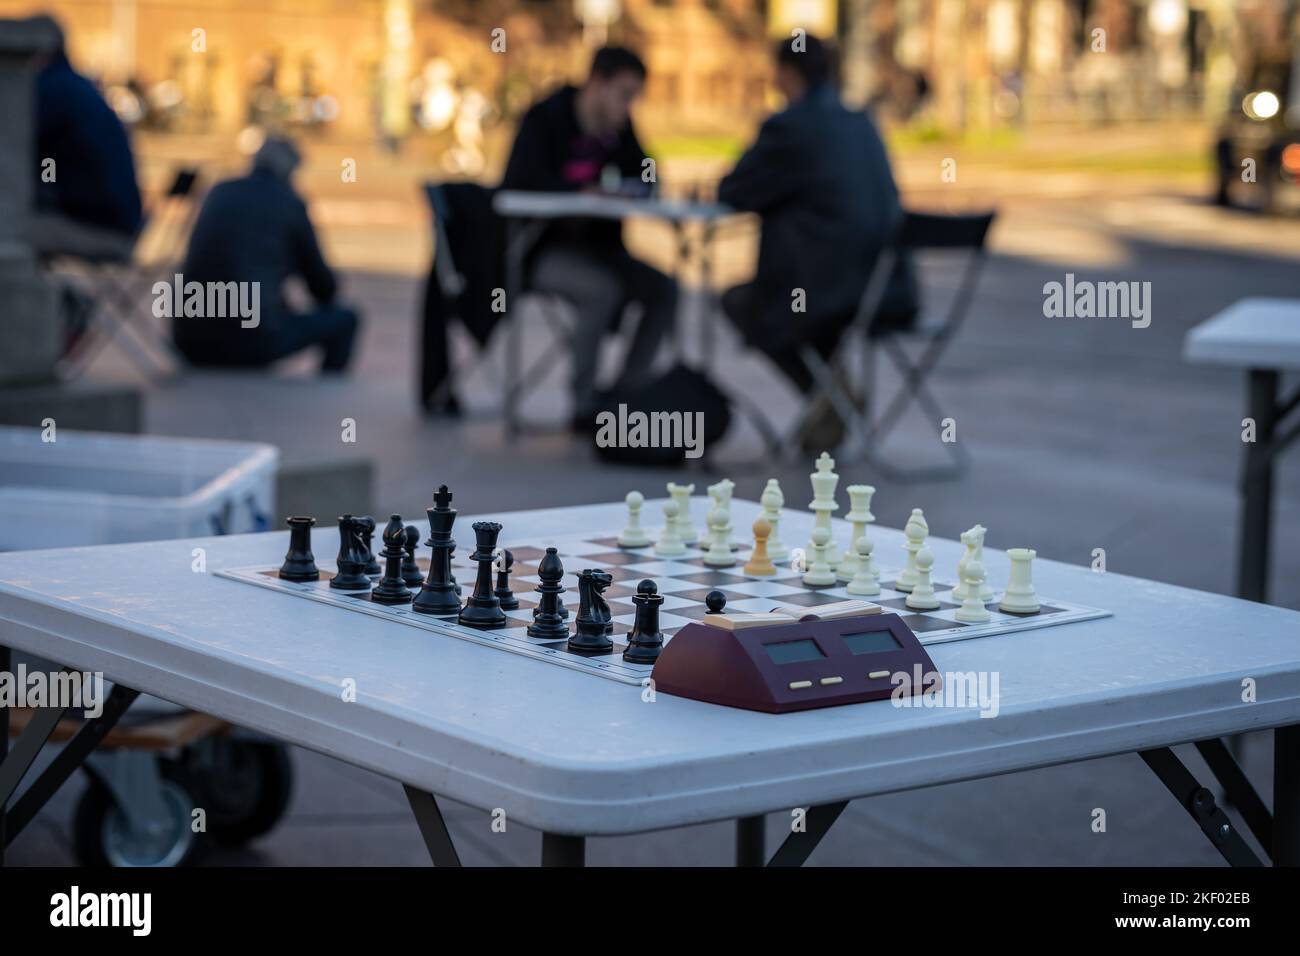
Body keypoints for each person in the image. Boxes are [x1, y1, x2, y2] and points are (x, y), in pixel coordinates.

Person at [718, 36, 917, 448]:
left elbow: (735, 190)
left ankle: (828, 396)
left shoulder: (790, 126)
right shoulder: (862, 121)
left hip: (827, 297)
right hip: (890, 291)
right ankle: (833, 397)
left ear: (787, 73)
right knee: (800, 298)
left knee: (745, 301)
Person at [501, 46, 677, 422]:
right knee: (601, 290)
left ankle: (626, 394)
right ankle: (584, 405)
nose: (629, 106)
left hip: (603, 249)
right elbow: (516, 186)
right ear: (597, 83)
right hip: (543, 250)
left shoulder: (620, 129)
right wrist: (579, 192)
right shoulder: (545, 119)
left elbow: (649, 174)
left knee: (664, 289)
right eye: (624, 94)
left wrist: (638, 182)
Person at [174, 137, 360, 373]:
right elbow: (322, 285)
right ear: (291, 170)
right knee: (346, 319)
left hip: (190, 339)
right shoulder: (289, 203)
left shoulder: (219, 192)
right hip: (250, 341)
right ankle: (326, 392)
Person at [30, 15, 144, 248]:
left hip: (105, 228)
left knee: (9, 231)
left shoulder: (53, 89)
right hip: (120, 220)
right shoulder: (74, 85)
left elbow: (24, 145)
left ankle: (30, 286)